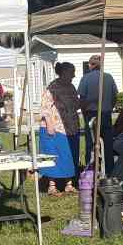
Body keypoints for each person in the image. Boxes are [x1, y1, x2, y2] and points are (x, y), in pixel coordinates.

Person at [44, 62, 82, 194]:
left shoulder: (71, 87)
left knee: (70, 155)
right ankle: (52, 185)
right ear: (64, 72)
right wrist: (49, 124)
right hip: (56, 127)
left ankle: (69, 184)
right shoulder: (53, 87)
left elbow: (76, 104)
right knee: (55, 155)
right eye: (72, 72)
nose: (74, 75)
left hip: (71, 126)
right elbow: (45, 107)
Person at [77, 53, 118, 168]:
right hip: (105, 114)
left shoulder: (85, 78)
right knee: (107, 144)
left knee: (91, 144)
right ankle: (109, 170)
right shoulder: (109, 77)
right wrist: (109, 107)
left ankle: (91, 169)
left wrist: (84, 113)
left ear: (90, 65)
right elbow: (115, 96)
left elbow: (82, 99)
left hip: (91, 115)